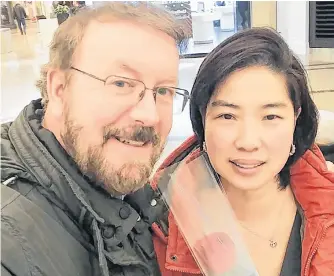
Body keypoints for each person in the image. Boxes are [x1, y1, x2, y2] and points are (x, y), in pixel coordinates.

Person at [1, 2, 190, 276]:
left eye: (163, 91)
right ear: (59, 88)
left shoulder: (127, 192)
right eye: (121, 84)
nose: (150, 115)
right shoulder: (10, 245)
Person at [151, 28, 334, 276]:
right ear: (203, 118)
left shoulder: (327, 206)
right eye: (228, 116)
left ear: (295, 118)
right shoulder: (156, 221)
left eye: (270, 116)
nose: (248, 142)